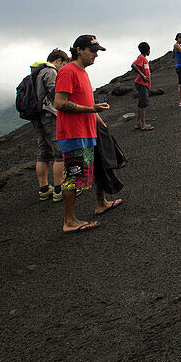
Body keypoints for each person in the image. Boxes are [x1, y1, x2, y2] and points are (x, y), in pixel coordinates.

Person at [54, 34, 121, 233]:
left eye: (97, 51)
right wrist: (91, 111)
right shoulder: (68, 71)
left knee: (97, 167)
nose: (96, 55)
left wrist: (100, 121)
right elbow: (59, 103)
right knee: (73, 177)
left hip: (88, 131)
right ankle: (69, 221)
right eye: (92, 51)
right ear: (78, 50)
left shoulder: (82, 72)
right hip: (73, 134)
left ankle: (101, 203)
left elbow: (86, 102)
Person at [31, 48, 69, 200]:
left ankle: (44, 188)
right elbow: (56, 92)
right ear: (58, 60)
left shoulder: (36, 71)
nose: (63, 68)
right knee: (59, 151)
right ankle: (59, 190)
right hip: (49, 113)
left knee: (43, 152)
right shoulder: (50, 71)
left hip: (38, 115)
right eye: (64, 64)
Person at [132, 41, 154, 131]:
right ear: (148, 50)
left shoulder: (143, 58)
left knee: (141, 103)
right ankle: (143, 124)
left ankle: (138, 123)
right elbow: (133, 65)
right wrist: (143, 76)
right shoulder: (141, 58)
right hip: (141, 83)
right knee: (143, 104)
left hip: (143, 83)